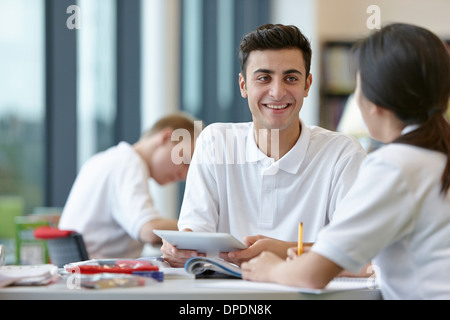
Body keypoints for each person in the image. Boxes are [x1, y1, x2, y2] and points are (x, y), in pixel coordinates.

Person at [241, 23, 450, 300]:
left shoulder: (393, 166)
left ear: (374, 101)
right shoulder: (434, 156)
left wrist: (271, 269)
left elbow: (310, 276)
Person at [161, 24, 366, 267]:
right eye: (264, 78)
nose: (277, 92)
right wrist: (180, 250)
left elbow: (360, 248)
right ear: (243, 85)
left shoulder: (342, 154)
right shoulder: (214, 142)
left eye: (291, 78)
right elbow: (194, 236)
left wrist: (283, 250)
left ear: (307, 85)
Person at [59, 112, 201, 259]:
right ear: (165, 137)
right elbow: (149, 229)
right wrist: (198, 228)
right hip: (99, 273)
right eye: (185, 161)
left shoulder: (104, 159)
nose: (184, 176)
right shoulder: (129, 163)